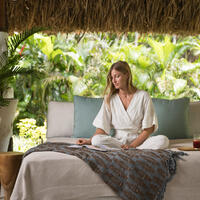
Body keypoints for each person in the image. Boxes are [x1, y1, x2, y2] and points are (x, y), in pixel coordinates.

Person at [76, 61, 169, 149]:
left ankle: (133, 149)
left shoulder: (143, 96)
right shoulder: (110, 99)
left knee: (163, 140)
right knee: (97, 140)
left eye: (117, 76)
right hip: (118, 142)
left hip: (139, 142)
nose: (114, 81)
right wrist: (89, 141)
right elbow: (102, 128)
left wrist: (132, 146)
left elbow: (148, 129)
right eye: (112, 78)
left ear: (127, 75)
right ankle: (127, 149)